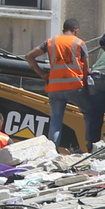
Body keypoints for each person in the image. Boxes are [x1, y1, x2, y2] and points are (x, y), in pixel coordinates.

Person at [24, 18, 89, 150]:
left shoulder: (51, 42)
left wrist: (42, 74)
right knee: (89, 113)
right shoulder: (79, 43)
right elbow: (86, 68)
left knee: (56, 121)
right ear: (76, 30)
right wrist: (86, 84)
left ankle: (52, 150)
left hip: (54, 88)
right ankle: (91, 145)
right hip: (75, 87)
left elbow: (29, 56)